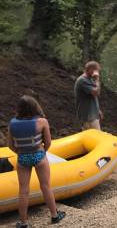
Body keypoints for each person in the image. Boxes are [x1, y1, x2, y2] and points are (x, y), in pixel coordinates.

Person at [8, 96, 66, 227]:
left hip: (23, 158)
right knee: (45, 186)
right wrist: (42, 152)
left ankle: (23, 222)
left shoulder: (12, 123)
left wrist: (20, 153)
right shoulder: (42, 122)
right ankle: (54, 216)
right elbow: (49, 142)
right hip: (39, 155)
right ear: (35, 107)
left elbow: (10, 145)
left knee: (23, 190)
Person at [74, 61, 102, 130]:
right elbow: (96, 92)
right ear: (90, 69)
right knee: (96, 137)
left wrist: (97, 110)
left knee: (96, 137)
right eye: (97, 70)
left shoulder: (89, 79)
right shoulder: (82, 81)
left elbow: (93, 96)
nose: (98, 73)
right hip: (88, 117)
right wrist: (97, 80)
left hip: (92, 115)